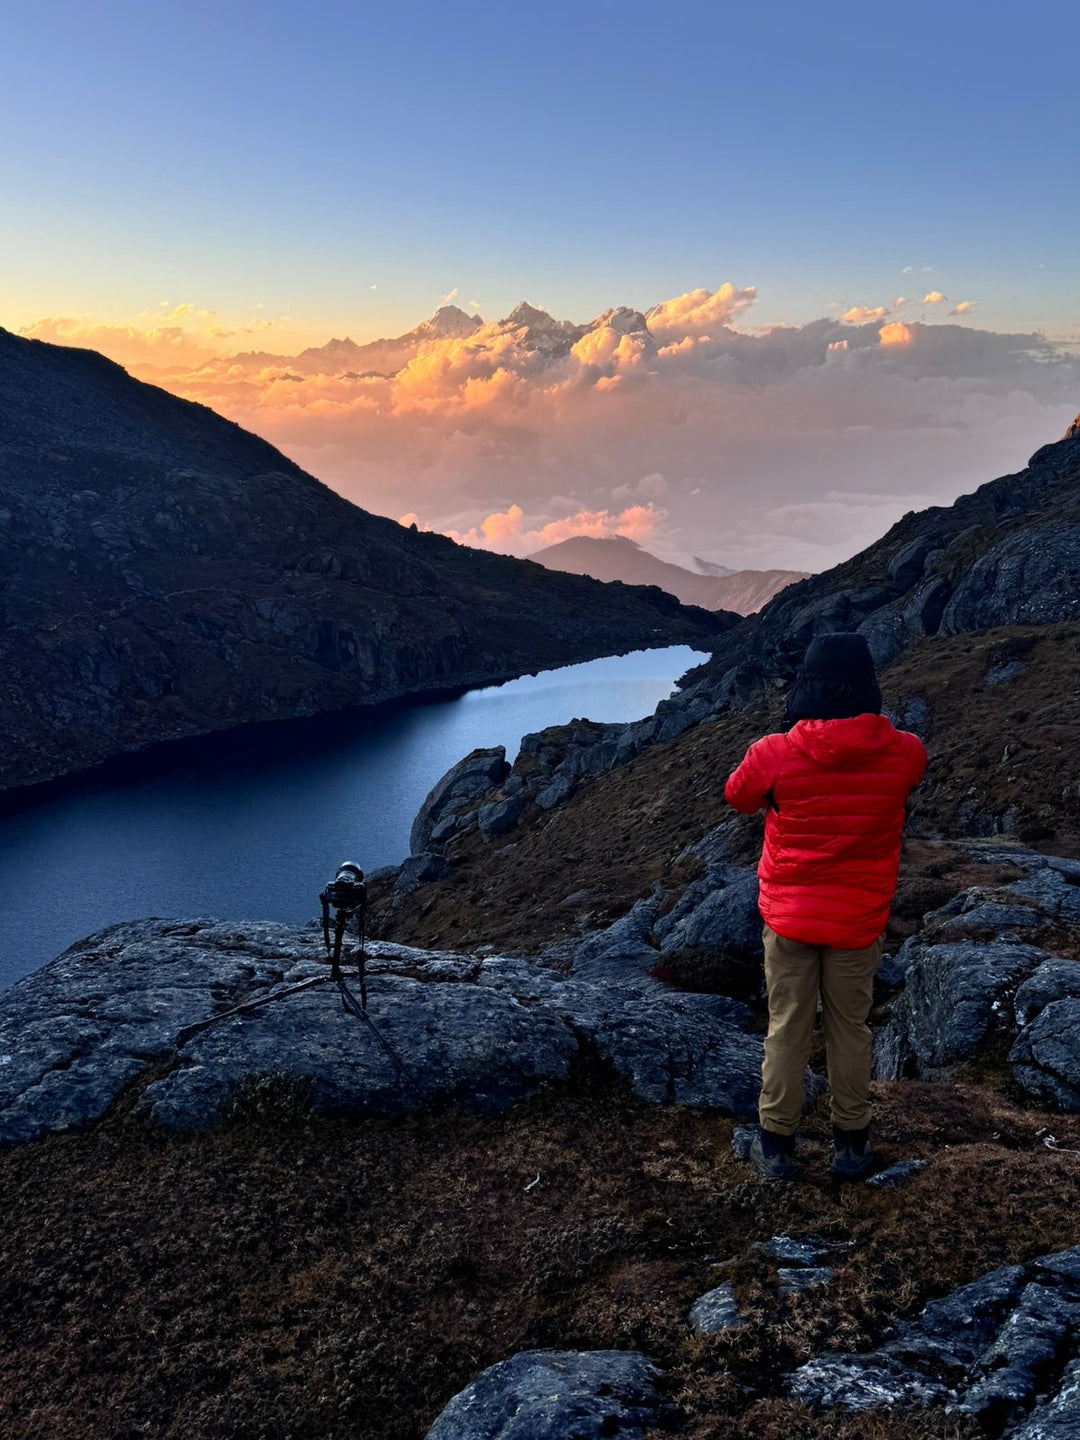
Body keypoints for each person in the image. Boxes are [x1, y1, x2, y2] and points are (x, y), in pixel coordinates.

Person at [724, 633, 927, 1182]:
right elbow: (907, 780)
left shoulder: (774, 752)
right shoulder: (905, 749)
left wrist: (778, 795)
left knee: (787, 1026)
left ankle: (776, 1146)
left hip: (789, 917)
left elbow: (738, 796)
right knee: (850, 1029)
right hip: (858, 921)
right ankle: (852, 1147)